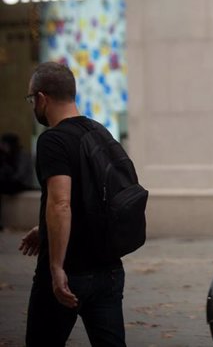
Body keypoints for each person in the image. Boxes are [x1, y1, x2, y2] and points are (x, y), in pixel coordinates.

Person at [19, 62, 127, 346]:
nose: (33, 106)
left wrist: (56, 268)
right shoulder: (100, 133)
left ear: (42, 98)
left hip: (70, 273)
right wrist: (44, 229)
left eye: (32, 99)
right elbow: (92, 199)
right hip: (109, 271)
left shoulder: (52, 140)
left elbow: (61, 203)